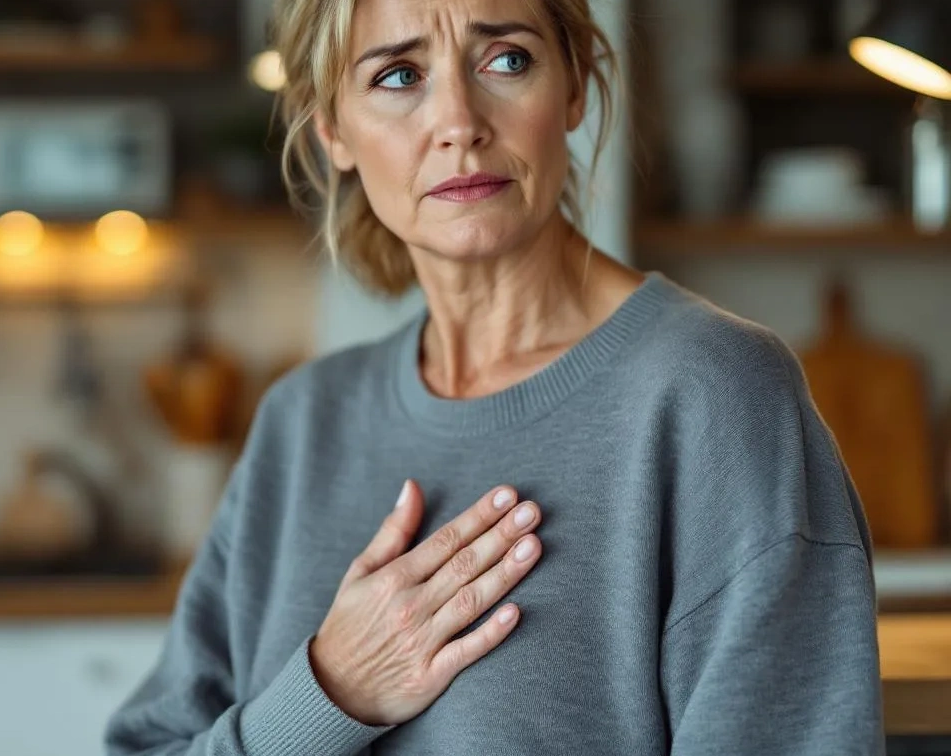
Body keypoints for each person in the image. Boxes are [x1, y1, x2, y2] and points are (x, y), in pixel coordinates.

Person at [105, 0, 884, 753]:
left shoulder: (715, 395)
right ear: (333, 129)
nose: (459, 124)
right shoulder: (302, 422)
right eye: (398, 76)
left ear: (574, 88)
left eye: (506, 60)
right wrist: (330, 693)